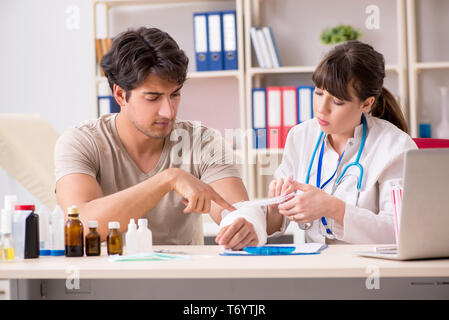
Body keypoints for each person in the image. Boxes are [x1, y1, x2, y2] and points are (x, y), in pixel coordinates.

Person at [54, 27, 259, 249]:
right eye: (153, 98)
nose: (168, 112)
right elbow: (83, 226)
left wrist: (242, 226)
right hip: (108, 278)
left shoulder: (203, 141)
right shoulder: (81, 141)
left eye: (175, 95)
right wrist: (168, 179)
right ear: (121, 95)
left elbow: (233, 210)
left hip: (181, 277)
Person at [265, 40, 417, 244]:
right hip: (317, 265)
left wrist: (332, 208)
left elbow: (401, 232)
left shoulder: (395, 146)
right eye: (318, 93)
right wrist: (275, 208)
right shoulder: (300, 136)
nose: (321, 109)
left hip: (370, 266)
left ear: (366, 103)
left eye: (337, 101)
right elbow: (273, 225)